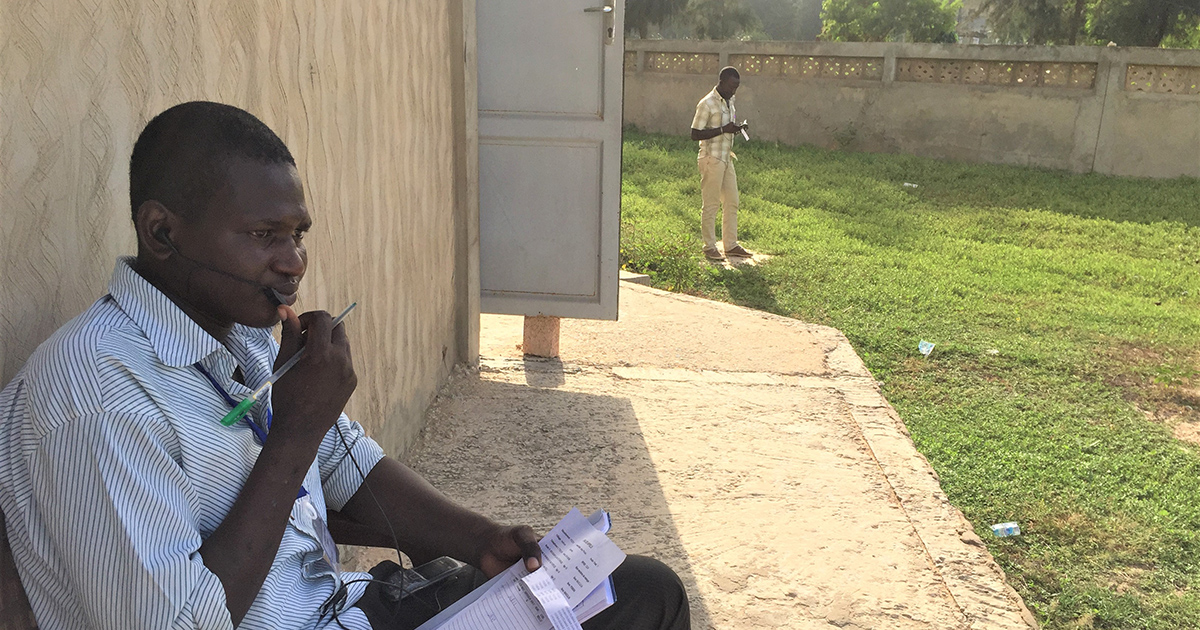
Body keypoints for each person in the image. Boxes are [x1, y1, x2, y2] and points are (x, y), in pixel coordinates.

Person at [0, 101, 690, 630]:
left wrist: (479, 541)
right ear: (162, 232)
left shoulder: (234, 333)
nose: (294, 262)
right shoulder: (95, 392)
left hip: (351, 610)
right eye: (264, 236)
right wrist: (296, 429)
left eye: (298, 235)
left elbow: (339, 464)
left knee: (639, 593)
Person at [690, 66, 752, 262]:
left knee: (732, 201)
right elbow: (695, 133)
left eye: (737, 87)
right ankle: (709, 246)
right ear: (722, 82)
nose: (734, 91)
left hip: (726, 157)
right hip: (711, 158)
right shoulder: (706, 103)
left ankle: (730, 245)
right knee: (711, 204)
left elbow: (726, 126)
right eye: (732, 86)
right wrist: (723, 129)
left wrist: (735, 128)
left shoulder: (729, 101)